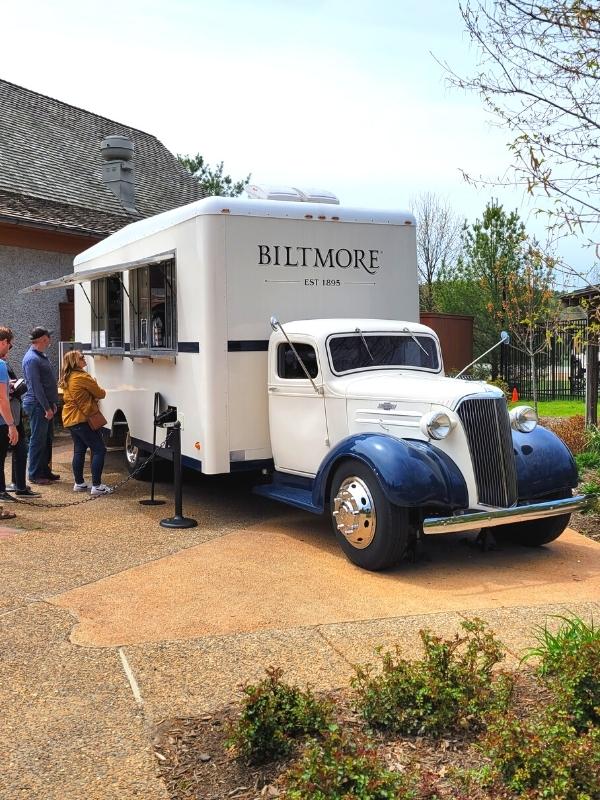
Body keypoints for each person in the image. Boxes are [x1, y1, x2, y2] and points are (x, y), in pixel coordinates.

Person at [59, 350, 113, 495]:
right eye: (81, 358)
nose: (84, 359)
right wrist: (94, 386)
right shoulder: (82, 377)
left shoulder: (67, 377)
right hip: (83, 419)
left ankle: (79, 483)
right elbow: (101, 393)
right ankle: (97, 486)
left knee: (79, 450)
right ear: (74, 362)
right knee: (99, 449)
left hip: (71, 419)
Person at [22, 326, 60, 485]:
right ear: (43, 340)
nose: (50, 340)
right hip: (38, 405)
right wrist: (46, 408)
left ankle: (44, 470)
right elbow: (36, 387)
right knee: (38, 440)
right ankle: (35, 474)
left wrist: (52, 404)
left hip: (44, 405)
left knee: (46, 439)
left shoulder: (40, 356)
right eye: (48, 338)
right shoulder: (32, 359)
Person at [0, 327, 19, 518]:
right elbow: (2, 400)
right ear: (3, 342)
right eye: (10, 344)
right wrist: (11, 425)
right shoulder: (0, 365)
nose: (10, 348)